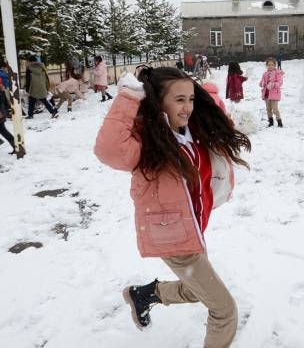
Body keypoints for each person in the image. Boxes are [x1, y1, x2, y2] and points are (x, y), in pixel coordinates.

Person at [94, 67, 251, 347]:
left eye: (191, 99)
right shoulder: (149, 145)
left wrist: (208, 102)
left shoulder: (192, 133)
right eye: (179, 100)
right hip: (172, 237)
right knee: (224, 310)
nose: (188, 107)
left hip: (191, 231)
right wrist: (130, 96)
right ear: (158, 101)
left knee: (197, 290)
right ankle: (147, 296)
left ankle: (146, 295)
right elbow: (109, 150)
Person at [259, 57, 285, 127]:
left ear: (275, 65)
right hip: (266, 93)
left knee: (275, 109)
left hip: (274, 94)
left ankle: (279, 122)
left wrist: (273, 84)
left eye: (272, 65)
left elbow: (280, 82)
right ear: (266, 65)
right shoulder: (265, 74)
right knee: (268, 109)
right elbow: (262, 82)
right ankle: (270, 122)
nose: (270, 66)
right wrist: (262, 83)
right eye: (269, 65)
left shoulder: (277, 73)